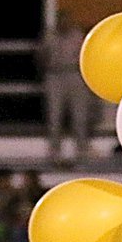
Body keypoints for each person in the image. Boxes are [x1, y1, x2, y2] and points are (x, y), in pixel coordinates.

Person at [38, 12, 93, 163]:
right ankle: (54, 150)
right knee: (54, 115)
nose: (64, 23)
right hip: (54, 75)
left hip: (75, 75)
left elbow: (86, 54)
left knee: (80, 114)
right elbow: (41, 56)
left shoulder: (78, 35)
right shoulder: (49, 36)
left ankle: (82, 148)